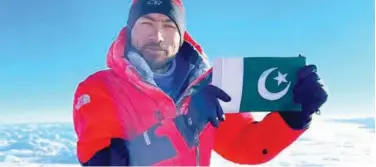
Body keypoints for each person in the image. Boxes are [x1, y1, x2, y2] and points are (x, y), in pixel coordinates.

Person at [72, 0, 328, 166]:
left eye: (168, 26)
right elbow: (104, 162)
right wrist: (187, 125)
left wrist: (294, 117)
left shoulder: (210, 85)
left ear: (182, 36)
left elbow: (246, 145)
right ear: (129, 30)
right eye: (146, 23)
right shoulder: (99, 89)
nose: (157, 36)